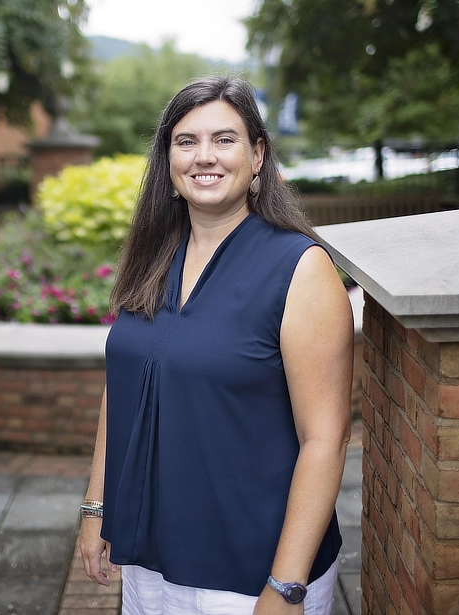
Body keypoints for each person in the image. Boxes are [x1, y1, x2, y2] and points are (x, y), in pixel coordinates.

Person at [78, 75, 354, 615]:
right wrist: (95, 508)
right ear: (168, 161)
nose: (204, 156)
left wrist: (286, 587)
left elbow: (327, 438)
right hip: (149, 557)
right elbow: (124, 390)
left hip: (250, 572)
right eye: (186, 141)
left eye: (224, 139)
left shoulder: (299, 268)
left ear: (257, 157)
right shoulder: (153, 259)